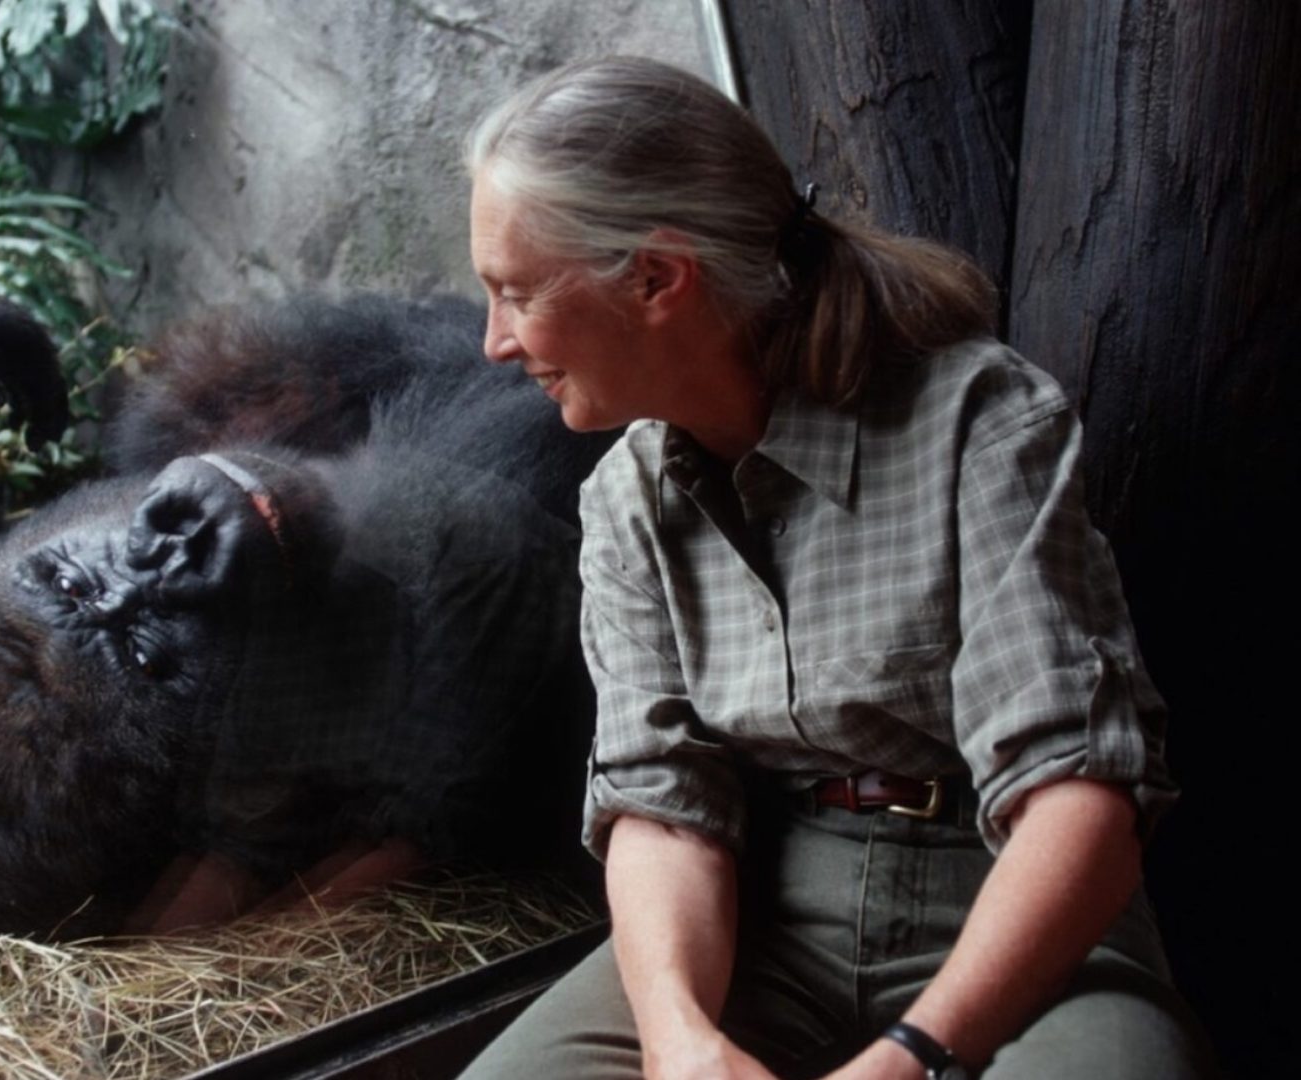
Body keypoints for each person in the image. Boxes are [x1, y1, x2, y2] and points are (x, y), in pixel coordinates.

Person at [458, 56, 1213, 1080]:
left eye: (512, 292)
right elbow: (661, 807)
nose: (494, 342)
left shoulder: (978, 424)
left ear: (654, 278)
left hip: (1009, 901)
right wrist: (682, 1045)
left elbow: (1078, 798)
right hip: (765, 913)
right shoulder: (624, 501)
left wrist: (909, 1058)